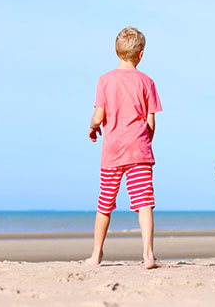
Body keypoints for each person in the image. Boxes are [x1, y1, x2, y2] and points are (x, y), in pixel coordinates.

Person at [85, 27, 162, 269]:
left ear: (116, 51)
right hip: (139, 149)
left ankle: (97, 254)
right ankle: (148, 255)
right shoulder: (147, 81)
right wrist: (145, 140)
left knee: (105, 202)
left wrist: (92, 127)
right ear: (141, 54)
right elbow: (151, 122)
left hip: (113, 150)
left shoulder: (105, 80)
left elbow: (99, 115)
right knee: (144, 202)